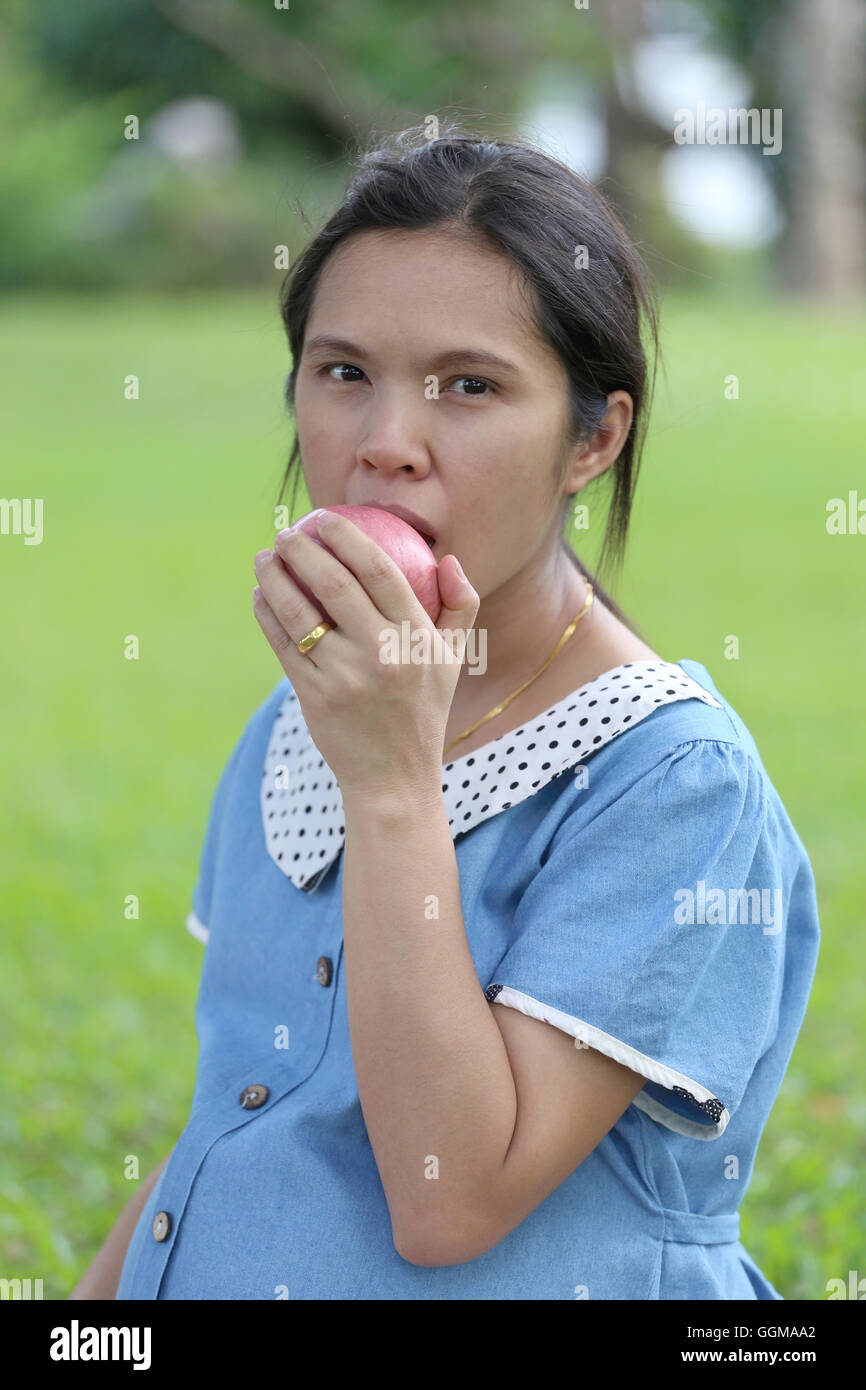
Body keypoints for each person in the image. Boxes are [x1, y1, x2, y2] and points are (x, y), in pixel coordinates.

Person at [77, 124, 820, 1300]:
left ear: (594, 437)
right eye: (342, 373)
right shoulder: (303, 714)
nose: (383, 446)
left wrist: (388, 782)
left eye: (466, 386)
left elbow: (447, 1197)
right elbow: (236, 1117)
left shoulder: (674, 788)